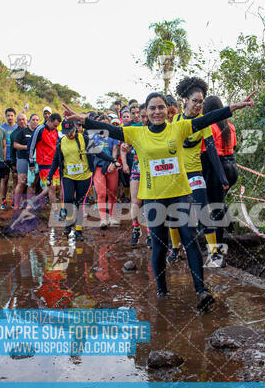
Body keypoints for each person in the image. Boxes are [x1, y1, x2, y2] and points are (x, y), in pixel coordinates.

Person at [62, 89, 254, 310]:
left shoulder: (179, 128)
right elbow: (110, 130)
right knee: (160, 247)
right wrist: (81, 120)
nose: (157, 112)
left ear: (167, 110)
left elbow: (208, 118)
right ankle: (162, 292)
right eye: (152, 108)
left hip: (180, 194)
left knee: (190, 240)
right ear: (146, 111)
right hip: (153, 198)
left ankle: (201, 290)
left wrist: (234, 107)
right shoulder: (138, 134)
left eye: (161, 107)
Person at [168, 76, 229, 268]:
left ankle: (214, 254)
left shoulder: (204, 123)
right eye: (195, 101)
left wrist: (222, 178)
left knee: (204, 212)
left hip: (195, 173)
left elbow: (211, 151)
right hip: (176, 174)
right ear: (185, 100)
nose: (198, 105)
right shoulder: (175, 120)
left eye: (201, 101)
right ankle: (175, 248)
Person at [47, 119, 120, 241]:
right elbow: (56, 160)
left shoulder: (84, 139)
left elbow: (99, 152)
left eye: (70, 131)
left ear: (75, 128)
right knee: (68, 199)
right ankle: (69, 222)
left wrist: (113, 160)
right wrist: (49, 176)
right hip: (68, 176)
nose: (69, 134)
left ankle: (79, 230)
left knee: (81, 202)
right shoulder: (61, 142)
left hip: (84, 176)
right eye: (66, 132)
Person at [201, 95, 239, 245]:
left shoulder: (209, 127)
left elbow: (206, 154)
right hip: (232, 167)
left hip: (218, 168)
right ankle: (229, 227)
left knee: (216, 206)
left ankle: (217, 245)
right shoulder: (230, 126)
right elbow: (234, 147)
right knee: (220, 200)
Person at [120, 102, 151, 247]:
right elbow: (125, 144)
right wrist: (126, 147)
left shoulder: (158, 127)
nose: (144, 119)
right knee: (135, 202)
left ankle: (151, 233)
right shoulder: (135, 128)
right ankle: (136, 228)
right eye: (142, 116)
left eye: (146, 116)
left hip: (153, 169)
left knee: (150, 202)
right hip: (138, 166)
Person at [89, 114, 121, 228]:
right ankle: (103, 219)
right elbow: (91, 153)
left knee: (112, 192)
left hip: (111, 167)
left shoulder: (113, 136)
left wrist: (113, 162)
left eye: (107, 123)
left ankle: (112, 217)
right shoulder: (93, 137)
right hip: (99, 166)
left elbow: (115, 149)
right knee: (101, 193)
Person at [28, 113, 62, 208]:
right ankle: (56, 214)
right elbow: (31, 146)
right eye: (55, 125)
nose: (56, 128)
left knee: (57, 187)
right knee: (52, 188)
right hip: (44, 164)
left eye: (57, 126)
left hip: (55, 164)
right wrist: (31, 162)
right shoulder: (39, 129)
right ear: (49, 121)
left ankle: (35, 200)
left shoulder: (55, 131)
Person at [13, 113, 39, 208]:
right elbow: (15, 145)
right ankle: (16, 204)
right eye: (33, 119)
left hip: (35, 161)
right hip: (23, 159)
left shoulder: (39, 132)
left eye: (37, 120)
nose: (35, 121)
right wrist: (27, 147)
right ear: (29, 121)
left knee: (31, 182)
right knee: (21, 182)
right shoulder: (23, 132)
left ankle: (29, 204)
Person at [0, 107, 18, 209]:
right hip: (4, 158)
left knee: (15, 179)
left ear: (14, 116)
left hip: (15, 158)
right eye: (8, 115)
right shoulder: (1, 128)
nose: (10, 117)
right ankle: (3, 200)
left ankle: (14, 200)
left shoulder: (17, 127)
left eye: (11, 115)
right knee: (4, 180)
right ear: (5, 116)